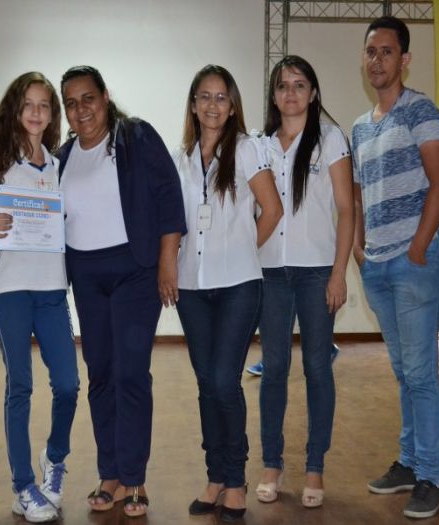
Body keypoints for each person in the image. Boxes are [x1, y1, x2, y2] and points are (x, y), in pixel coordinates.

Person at [57, 65, 186, 518]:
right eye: (71, 103)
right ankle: (109, 473)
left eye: (88, 98)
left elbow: (170, 196)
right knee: (101, 373)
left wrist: (167, 261)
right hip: (86, 276)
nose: (81, 109)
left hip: (135, 272)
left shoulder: (135, 137)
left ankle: (134, 477)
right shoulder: (62, 157)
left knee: (130, 373)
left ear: (105, 97)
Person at [351, 16, 439, 520]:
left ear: (404, 60)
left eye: (387, 52)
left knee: (421, 374)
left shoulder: (421, 111)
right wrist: (359, 248)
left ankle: (430, 477)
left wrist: (418, 247)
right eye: (371, 51)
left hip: (415, 262)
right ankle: (410, 464)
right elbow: (357, 193)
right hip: (377, 266)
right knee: (403, 372)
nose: (377, 60)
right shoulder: (359, 127)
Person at [174, 64, 283, 522]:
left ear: (233, 105)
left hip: (239, 284)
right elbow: (175, 223)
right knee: (206, 385)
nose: (213, 105)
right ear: (193, 104)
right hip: (191, 287)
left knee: (223, 381)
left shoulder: (246, 148)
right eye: (204, 96)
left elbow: (272, 209)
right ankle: (215, 476)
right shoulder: (181, 157)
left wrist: (242, 249)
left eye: (221, 97)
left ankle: (236, 478)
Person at [0, 72, 79, 523]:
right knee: (20, 386)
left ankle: (54, 457)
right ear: (16, 110)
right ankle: (23, 486)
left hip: (53, 290)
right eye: (29, 105)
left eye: (44, 105)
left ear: (52, 114)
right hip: (12, 291)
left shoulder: (59, 166)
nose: (36, 113)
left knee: (69, 385)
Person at [255, 55, 354, 508]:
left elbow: (346, 210)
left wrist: (338, 273)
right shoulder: (259, 145)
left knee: (317, 367)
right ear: (274, 96)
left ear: (313, 93)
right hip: (271, 274)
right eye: (282, 86)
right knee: (273, 369)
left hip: (316, 274)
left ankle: (315, 466)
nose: (290, 93)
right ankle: (271, 464)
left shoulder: (330, 139)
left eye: (299, 85)